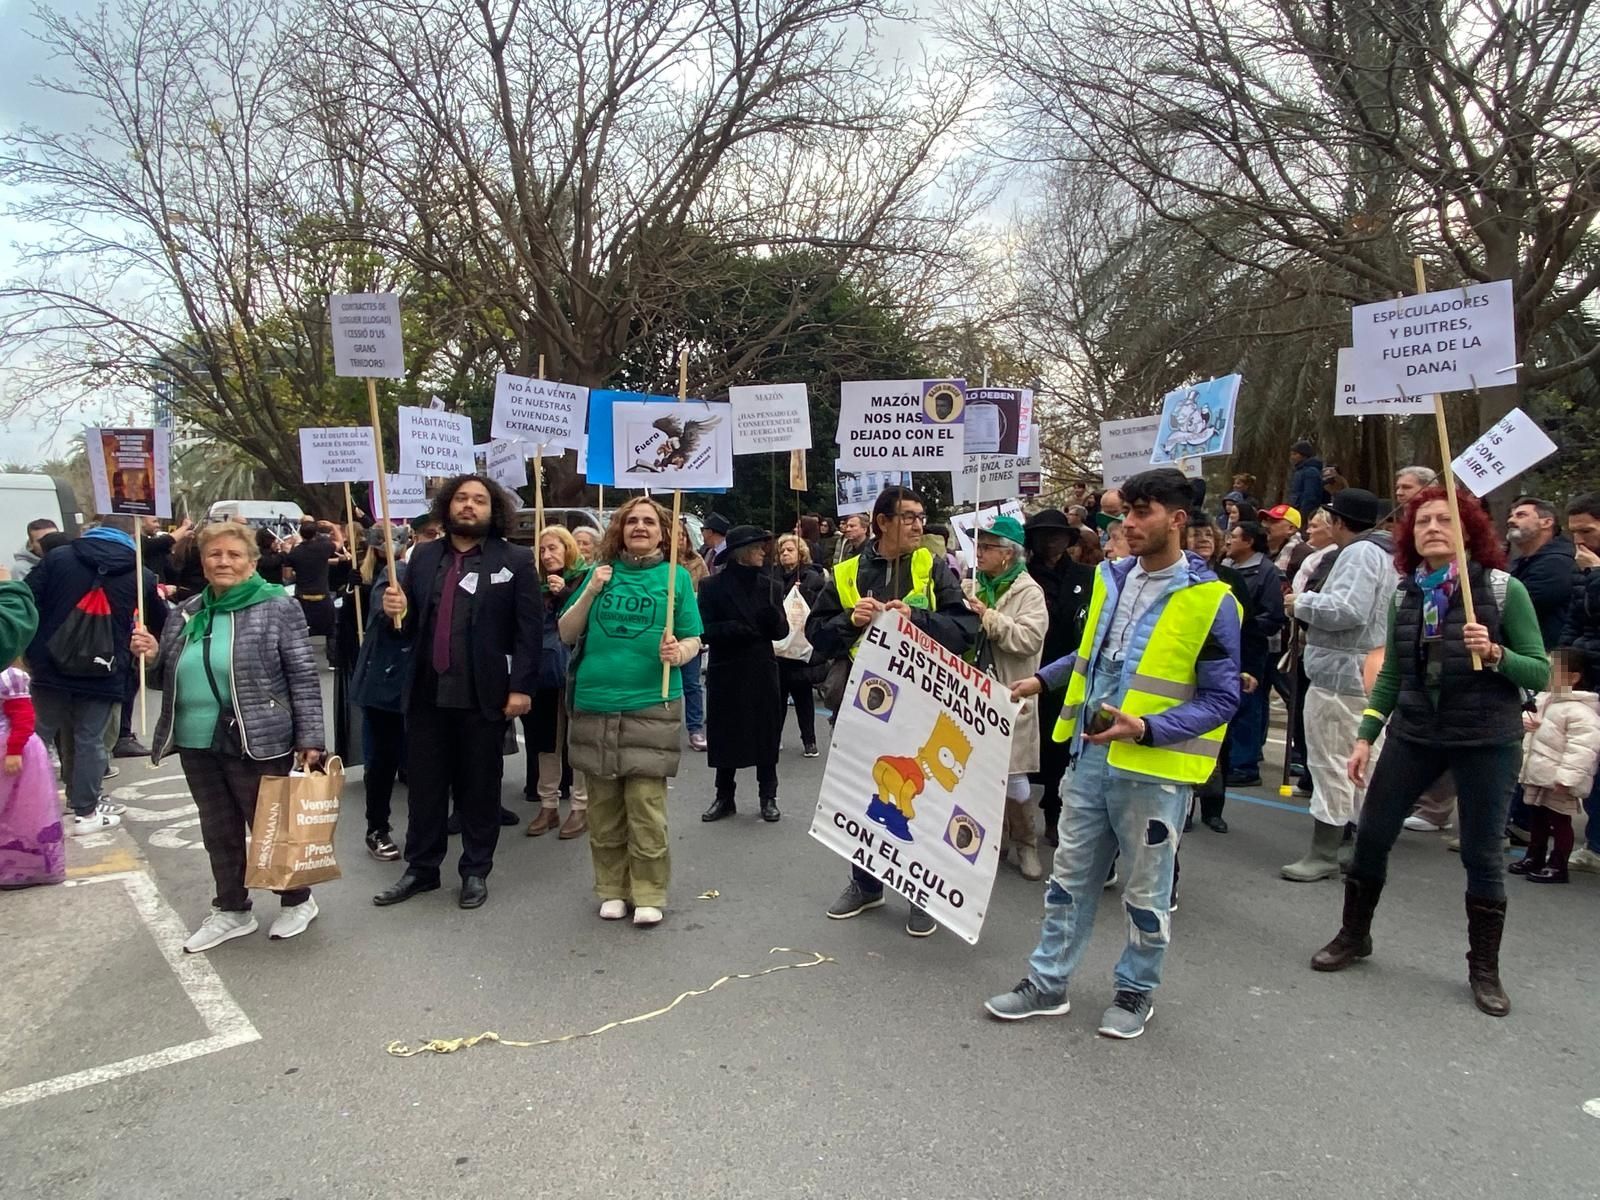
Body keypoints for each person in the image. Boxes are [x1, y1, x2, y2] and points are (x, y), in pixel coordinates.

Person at [987, 468, 1242, 1040]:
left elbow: (1224, 697)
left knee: (1146, 892)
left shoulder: (1212, 601)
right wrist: (1043, 681)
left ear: (1177, 520)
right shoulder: (1112, 578)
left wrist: (1148, 727)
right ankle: (1047, 982)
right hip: (1089, 759)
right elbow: (1094, 652)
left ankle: (1135, 990)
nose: (1127, 523)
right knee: (1069, 880)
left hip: (1154, 770)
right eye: (1126, 511)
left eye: (1141, 512)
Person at [1310, 487, 1548, 1017]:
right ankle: (1354, 935)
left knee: (1482, 855)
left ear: (1468, 531)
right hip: (1416, 733)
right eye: (1422, 521)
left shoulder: (1505, 590)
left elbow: (1538, 669)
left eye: (1446, 520)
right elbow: (1393, 673)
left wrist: (1496, 652)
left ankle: (1484, 970)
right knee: (1370, 835)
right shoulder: (1405, 595)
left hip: (1486, 739)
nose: (1432, 528)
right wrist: (1366, 735)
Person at [132, 522, 325, 951]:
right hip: (196, 738)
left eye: (233, 554)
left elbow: (303, 675)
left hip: (258, 735)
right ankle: (232, 909)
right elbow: (164, 677)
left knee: (271, 826)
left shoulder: (277, 607)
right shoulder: (186, 611)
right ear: (202, 561)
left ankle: (297, 901)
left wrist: (310, 736)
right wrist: (149, 658)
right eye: (214, 554)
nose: (223, 561)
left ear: (252, 562)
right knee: (218, 829)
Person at [809, 485, 978, 936]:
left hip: (923, 709)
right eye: (908, 517)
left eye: (921, 516)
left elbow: (966, 629)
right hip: (866, 710)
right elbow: (816, 636)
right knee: (866, 793)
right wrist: (850, 620)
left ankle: (921, 892)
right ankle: (865, 885)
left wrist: (918, 620)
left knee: (920, 796)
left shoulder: (932, 567)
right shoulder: (845, 573)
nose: (919, 525)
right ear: (882, 522)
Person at [372, 475, 540, 912]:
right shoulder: (424, 556)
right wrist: (395, 611)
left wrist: (521, 687)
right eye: (462, 498)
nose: (469, 506)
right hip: (428, 695)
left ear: (493, 509)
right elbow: (407, 628)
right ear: (448, 506)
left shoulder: (517, 560)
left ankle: (475, 870)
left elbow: (528, 633)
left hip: (482, 695)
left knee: (479, 789)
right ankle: (421, 868)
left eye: (479, 500)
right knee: (425, 788)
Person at [558, 496, 703, 926]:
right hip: (594, 702)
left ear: (663, 532)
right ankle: (611, 889)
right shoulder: (595, 575)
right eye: (631, 521)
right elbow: (566, 633)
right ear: (618, 529)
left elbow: (695, 637)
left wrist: (680, 653)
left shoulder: (676, 577)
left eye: (649, 522)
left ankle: (649, 891)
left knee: (646, 808)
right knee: (603, 809)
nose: (640, 527)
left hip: (650, 705)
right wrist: (591, 589)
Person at [1280, 489, 1395, 881]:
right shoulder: (1386, 553)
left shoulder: (1361, 553)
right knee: (1363, 762)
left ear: (1339, 521)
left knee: (1332, 763)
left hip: (1343, 674)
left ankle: (1325, 851)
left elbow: (1348, 609)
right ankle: (1359, 848)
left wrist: (1303, 603)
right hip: (1365, 670)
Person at [27, 517, 167, 835]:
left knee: (34, 737)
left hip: (50, 665)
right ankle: (86, 812)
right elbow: (162, 620)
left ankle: (18, 803)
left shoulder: (58, 558)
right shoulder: (141, 574)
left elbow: (27, 600)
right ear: (133, 536)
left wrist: (33, 649)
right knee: (90, 740)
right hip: (104, 668)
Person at [964, 515, 1048, 878]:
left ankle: (1026, 843)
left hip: (1010, 694)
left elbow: (1028, 640)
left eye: (987, 547)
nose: (979, 553)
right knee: (977, 772)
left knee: (1014, 776)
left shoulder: (1029, 592)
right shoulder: (971, 585)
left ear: (1008, 555)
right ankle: (992, 837)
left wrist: (989, 618)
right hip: (973, 694)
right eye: (978, 546)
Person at [698, 526, 787, 823]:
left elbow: (782, 632)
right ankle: (725, 796)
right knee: (726, 734)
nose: (763, 551)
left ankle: (768, 796)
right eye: (757, 547)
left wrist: (774, 618)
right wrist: (730, 629)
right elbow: (704, 630)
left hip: (761, 669)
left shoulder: (770, 585)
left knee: (766, 733)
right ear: (741, 552)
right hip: (728, 669)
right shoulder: (711, 586)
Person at [1024, 510, 1093, 848]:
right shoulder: (1019, 577)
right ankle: (1015, 822)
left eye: (1057, 534)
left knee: (1059, 749)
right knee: (1021, 750)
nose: (1050, 541)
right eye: (1042, 534)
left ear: (1068, 540)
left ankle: (1054, 811)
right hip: (1025, 671)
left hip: (1067, 674)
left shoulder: (1088, 577)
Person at [1507, 647, 1600, 884]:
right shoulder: (1543, 699)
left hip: (1558, 777)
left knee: (1559, 821)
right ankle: (1534, 856)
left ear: (1573, 677)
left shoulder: (1580, 711)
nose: (1546, 675)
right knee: (1537, 818)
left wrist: (1567, 778)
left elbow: (1584, 748)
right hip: (1538, 771)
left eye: (1552, 671)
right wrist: (1525, 723)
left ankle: (1558, 864)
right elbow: (1527, 718)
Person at [348, 524, 412, 861]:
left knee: (423, 761)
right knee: (383, 760)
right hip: (386, 684)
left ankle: (423, 829)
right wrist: (393, 611)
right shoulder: (395, 574)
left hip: (424, 685)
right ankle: (377, 828)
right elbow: (382, 618)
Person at [1184, 511, 1250, 832]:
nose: (1202, 541)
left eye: (1208, 535)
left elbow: (1244, 631)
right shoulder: (1176, 577)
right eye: (1195, 535)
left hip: (1222, 671)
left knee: (1216, 743)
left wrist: (1245, 669)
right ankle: (1184, 808)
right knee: (1184, 740)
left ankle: (1213, 808)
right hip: (1183, 671)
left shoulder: (1230, 580)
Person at [523, 525, 588, 839]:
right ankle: (548, 804)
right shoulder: (532, 585)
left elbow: (584, 622)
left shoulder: (584, 579)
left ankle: (580, 807)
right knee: (545, 741)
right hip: (543, 672)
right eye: (543, 550)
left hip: (576, 671)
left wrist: (564, 593)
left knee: (577, 740)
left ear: (568, 548)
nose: (548, 555)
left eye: (554, 548)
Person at [0, 572, 58, 888]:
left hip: (10, 746)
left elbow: (22, 717)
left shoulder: (11, 678)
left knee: (19, 810)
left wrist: (13, 749)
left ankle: (21, 865)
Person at [1221, 520, 1285, 786]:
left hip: (1253, 647)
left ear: (1248, 541)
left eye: (1233, 537)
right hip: (1225, 647)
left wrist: (1241, 628)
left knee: (1249, 704)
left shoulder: (1266, 571)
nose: (1227, 541)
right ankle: (1231, 759)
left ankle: (1245, 765)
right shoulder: (1226, 568)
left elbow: (1273, 614)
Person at [1561, 493, 1600, 873]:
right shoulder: (1581, 566)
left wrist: (1597, 575)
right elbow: (1574, 619)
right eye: (1574, 533)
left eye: (1587, 531)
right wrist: (1561, 665)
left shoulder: (1591, 568)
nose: (1580, 541)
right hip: (1587, 670)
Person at [774, 533, 825, 757]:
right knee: (777, 697)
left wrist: (802, 590)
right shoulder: (774, 576)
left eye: (790, 550)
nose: (785, 554)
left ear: (800, 552)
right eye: (782, 551)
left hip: (801, 645)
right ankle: (774, 737)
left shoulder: (811, 576)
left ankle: (809, 741)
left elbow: (817, 602)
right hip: (779, 645)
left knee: (803, 696)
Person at [1507, 496, 1575, 649]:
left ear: (1547, 522)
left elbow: (1516, 608)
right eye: (1511, 516)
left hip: (1551, 659)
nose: (1510, 520)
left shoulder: (1558, 562)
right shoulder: (1520, 563)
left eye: (1521, 515)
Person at [675, 520, 710, 752]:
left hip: (690, 628)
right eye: (673, 535)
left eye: (682, 535)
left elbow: (707, 596)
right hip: (663, 630)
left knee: (692, 683)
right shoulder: (659, 565)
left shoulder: (697, 562)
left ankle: (695, 728)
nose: (679, 539)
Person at [284, 520, 340, 643]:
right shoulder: (324, 547)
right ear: (316, 533)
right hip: (322, 596)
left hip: (303, 598)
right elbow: (339, 543)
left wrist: (298, 573)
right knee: (331, 631)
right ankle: (332, 658)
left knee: (300, 630)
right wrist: (333, 526)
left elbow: (287, 576)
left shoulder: (294, 553)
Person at [1263, 504, 1311, 581]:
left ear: (1291, 529)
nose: (1266, 525)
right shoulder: (1258, 548)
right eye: (1266, 521)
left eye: (1273, 521)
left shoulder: (1303, 554)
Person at [1288, 439, 1327, 515]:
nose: (1292, 457)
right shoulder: (1300, 471)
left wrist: (1304, 516)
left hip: (1303, 514)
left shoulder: (1311, 472)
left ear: (1304, 455)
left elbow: (1310, 497)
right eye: (1292, 454)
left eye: (1295, 454)